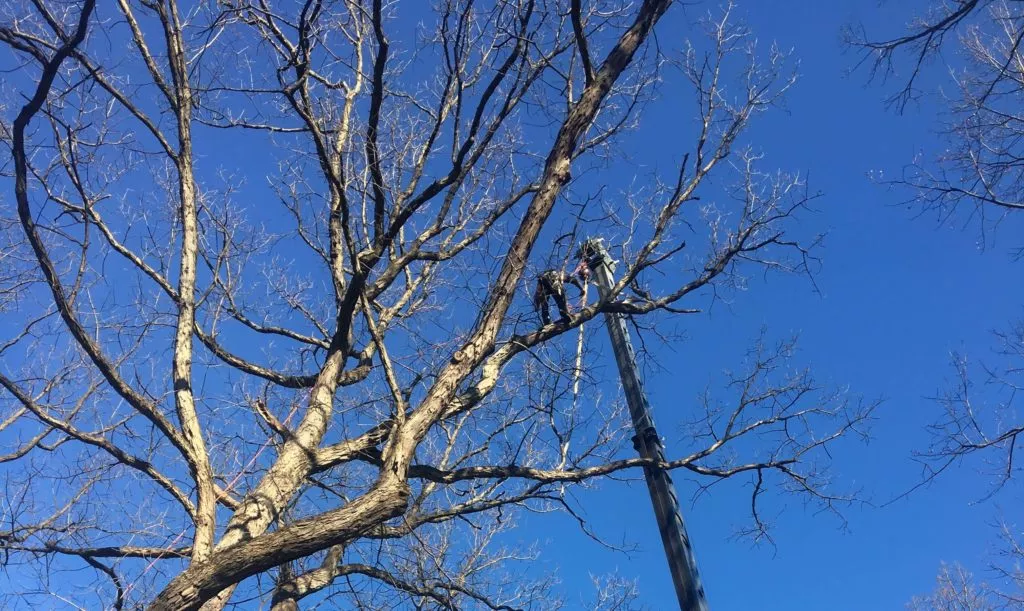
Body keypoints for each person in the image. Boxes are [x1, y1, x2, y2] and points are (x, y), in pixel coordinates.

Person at [533, 260, 589, 325]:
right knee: (559, 300)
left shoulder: (544, 279)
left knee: (545, 304)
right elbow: (573, 279)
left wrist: (536, 306)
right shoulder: (555, 276)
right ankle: (563, 314)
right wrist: (581, 289)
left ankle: (547, 320)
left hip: (547, 285)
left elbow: (538, 294)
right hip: (550, 285)